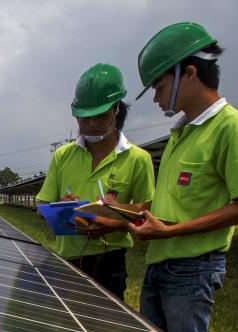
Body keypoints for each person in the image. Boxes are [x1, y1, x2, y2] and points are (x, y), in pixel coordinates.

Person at [129, 22, 238, 332]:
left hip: (192, 269)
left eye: (159, 86)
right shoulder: (180, 134)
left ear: (188, 73)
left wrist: (171, 231)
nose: (156, 98)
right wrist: (127, 213)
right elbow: (173, 203)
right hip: (159, 263)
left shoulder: (233, 127)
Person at [36, 63, 155, 299]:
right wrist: (61, 208)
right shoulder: (63, 156)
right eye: (84, 118)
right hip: (67, 258)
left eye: (100, 115)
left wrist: (112, 222)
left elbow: (146, 212)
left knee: (104, 328)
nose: (91, 124)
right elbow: (41, 206)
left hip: (110, 261)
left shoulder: (137, 159)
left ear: (117, 111)